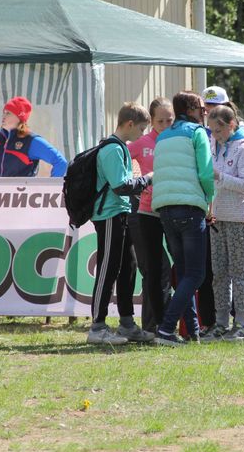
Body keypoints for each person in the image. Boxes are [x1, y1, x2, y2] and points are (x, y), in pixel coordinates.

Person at [86, 103, 155, 345]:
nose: (143, 134)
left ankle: (126, 323)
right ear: (129, 125)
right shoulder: (112, 149)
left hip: (122, 214)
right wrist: (147, 179)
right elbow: (120, 186)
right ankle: (97, 327)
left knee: (128, 267)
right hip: (109, 215)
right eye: (142, 128)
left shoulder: (122, 148)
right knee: (108, 268)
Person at [152, 91, 215, 346]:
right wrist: (210, 201)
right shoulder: (198, 133)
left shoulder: (163, 136)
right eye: (201, 106)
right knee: (196, 275)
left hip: (165, 209)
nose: (205, 111)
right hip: (190, 208)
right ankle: (167, 329)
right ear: (190, 108)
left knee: (186, 273)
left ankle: (193, 332)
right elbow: (207, 173)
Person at [202, 105, 244, 342]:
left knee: (238, 271)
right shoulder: (214, 146)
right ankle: (221, 322)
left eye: (219, 129)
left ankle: (241, 322)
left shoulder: (243, 147)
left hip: (236, 217)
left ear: (231, 124)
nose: (215, 135)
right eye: (212, 130)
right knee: (219, 272)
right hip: (217, 218)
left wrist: (220, 177)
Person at [127, 97, 174, 333]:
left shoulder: (178, 140)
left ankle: (166, 325)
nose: (165, 125)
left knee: (169, 269)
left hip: (173, 209)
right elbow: (117, 154)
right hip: (146, 212)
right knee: (156, 269)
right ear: (152, 121)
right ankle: (153, 325)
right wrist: (133, 184)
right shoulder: (143, 142)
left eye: (170, 120)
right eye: (160, 121)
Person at [0, 96, 68, 178]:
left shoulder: (31, 140)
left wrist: (50, 188)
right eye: (4, 112)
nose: (3, 116)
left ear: (19, 117)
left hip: (22, 191)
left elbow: (60, 162)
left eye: (8, 113)